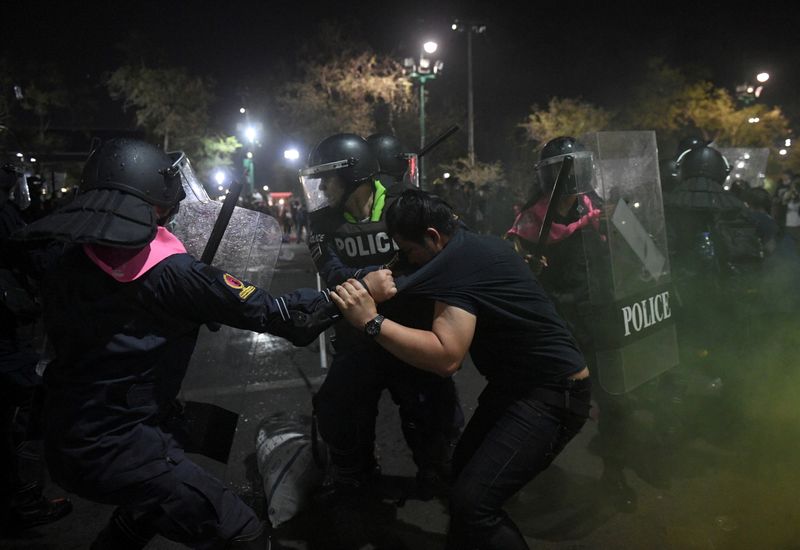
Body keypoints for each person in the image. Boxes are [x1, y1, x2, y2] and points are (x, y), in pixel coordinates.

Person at [11, 138, 346, 549]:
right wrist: (347, 297)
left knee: (146, 510)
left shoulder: (66, 256)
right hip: (124, 447)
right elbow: (286, 316)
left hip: (66, 436)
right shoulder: (174, 273)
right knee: (243, 531)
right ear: (160, 198)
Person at [331, 189, 591, 550]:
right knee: (461, 480)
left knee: (474, 505)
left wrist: (371, 322)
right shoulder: (469, 246)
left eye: (407, 251)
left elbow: (445, 357)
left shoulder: (459, 264)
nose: (404, 260)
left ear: (434, 236)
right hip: (515, 388)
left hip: (552, 394)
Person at [301, 133, 463, 507]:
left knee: (430, 411)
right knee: (338, 408)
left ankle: (437, 469)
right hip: (358, 335)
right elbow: (334, 274)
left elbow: (443, 252)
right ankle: (356, 473)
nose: (322, 187)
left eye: (328, 178)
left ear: (353, 175)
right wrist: (375, 280)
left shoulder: (405, 205)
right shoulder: (323, 221)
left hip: (410, 329)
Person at [0, 159, 72, 536]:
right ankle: (23, 498)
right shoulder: (3, 209)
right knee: (27, 403)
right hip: (4, 333)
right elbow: (33, 253)